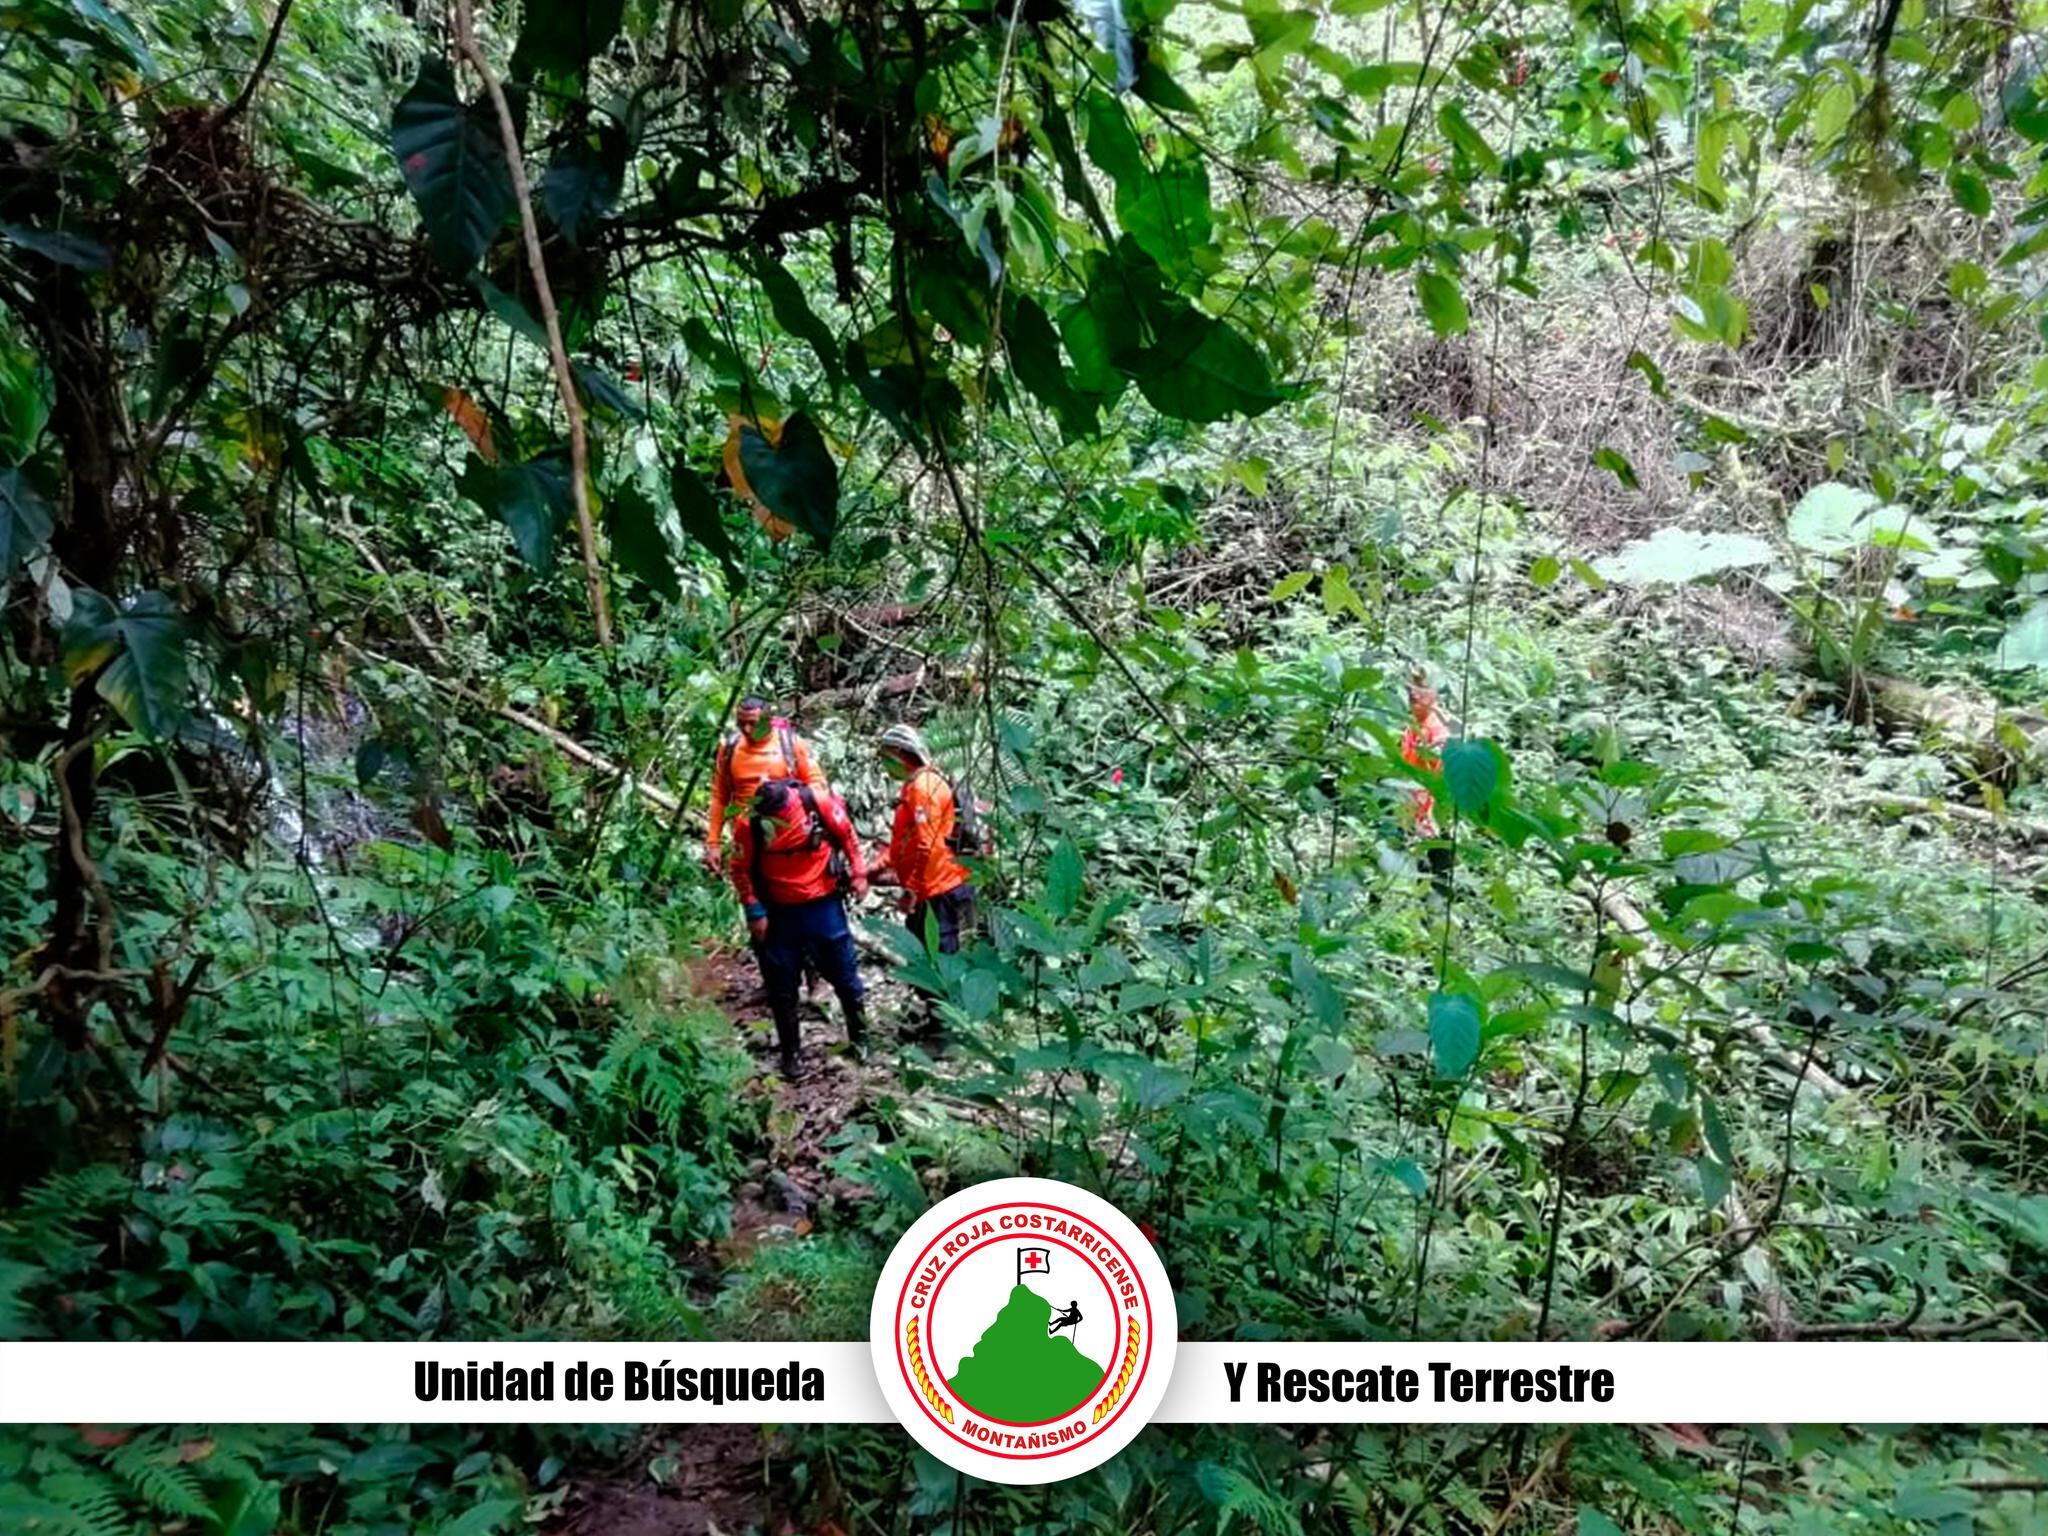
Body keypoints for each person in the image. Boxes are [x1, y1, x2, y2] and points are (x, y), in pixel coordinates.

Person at [729, 778, 870, 1079]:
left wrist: (858, 873)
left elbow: (847, 836)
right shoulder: (748, 823)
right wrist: (754, 910)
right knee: (781, 986)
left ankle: (861, 1041)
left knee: (845, 975)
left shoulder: (815, 803)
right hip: (777, 911)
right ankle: (790, 1053)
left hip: (824, 903)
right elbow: (740, 868)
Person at [705, 696, 831, 995]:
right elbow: (720, 796)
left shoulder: (790, 745)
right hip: (748, 847)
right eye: (742, 723)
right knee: (758, 915)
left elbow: (816, 785)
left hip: (791, 846)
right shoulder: (730, 749)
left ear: (769, 720)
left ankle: (814, 979)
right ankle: (776, 983)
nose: (747, 729)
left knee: (801, 911)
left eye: (754, 723)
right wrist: (712, 840)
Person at [870, 723, 978, 960]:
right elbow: (910, 837)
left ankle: (944, 996)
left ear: (900, 754)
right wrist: (880, 865)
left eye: (885, 756)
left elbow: (928, 845)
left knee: (939, 956)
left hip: (938, 888)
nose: (883, 764)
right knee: (922, 949)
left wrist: (913, 890)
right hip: (932, 886)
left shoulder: (923, 788)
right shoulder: (918, 784)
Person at [1401, 670, 1454, 895]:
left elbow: (1441, 778)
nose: (1415, 695)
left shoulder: (1437, 732)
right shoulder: (1412, 728)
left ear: (1434, 696)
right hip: (1410, 807)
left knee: (1435, 875)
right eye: (1412, 689)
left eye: (1421, 689)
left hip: (1430, 814)